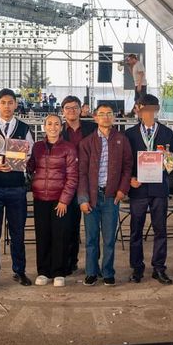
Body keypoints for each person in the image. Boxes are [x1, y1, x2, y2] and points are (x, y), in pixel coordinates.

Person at [0, 88, 34, 289]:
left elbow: (30, 155)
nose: (7, 106)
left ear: (16, 105)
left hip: (17, 188)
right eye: (3, 102)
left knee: (18, 233)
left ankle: (19, 271)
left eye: (11, 102)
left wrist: (21, 163)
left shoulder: (24, 128)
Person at [78, 103, 133, 286]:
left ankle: (108, 271)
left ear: (114, 117)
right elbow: (82, 173)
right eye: (102, 114)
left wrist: (121, 191)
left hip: (111, 197)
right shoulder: (87, 142)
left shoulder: (122, 140)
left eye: (109, 114)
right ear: (95, 118)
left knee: (109, 238)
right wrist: (83, 199)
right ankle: (92, 272)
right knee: (91, 238)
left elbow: (127, 167)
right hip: (92, 197)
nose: (106, 117)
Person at [125, 94, 173, 285]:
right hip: (138, 189)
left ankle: (159, 268)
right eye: (143, 109)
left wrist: (166, 159)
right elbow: (126, 161)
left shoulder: (167, 133)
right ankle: (137, 268)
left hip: (159, 188)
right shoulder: (129, 134)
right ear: (138, 109)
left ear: (156, 109)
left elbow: (172, 164)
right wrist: (130, 179)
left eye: (151, 109)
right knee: (136, 230)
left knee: (160, 230)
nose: (147, 113)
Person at [28, 114, 78, 287]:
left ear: (61, 126)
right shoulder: (37, 147)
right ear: (44, 126)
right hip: (40, 197)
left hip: (60, 199)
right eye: (49, 123)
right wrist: (20, 161)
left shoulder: (69, 148)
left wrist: (64, 200)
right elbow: (31, 168)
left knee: (60, 236)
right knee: (42, 235)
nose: (53, 127)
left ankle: (59, 272)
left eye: (56, 124)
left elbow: (72, 177)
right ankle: (43, 271)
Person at [60, 95, 97, 274]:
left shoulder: (92, 127)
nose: (71, 111)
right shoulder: (58, 131)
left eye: (75, 107)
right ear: (63, 111)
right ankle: (70, 262)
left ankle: (93, 265)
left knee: (92, 228)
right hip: (66, 184)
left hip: (90, 182)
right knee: (69, 226)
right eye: (68, 108)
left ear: (81, 110)